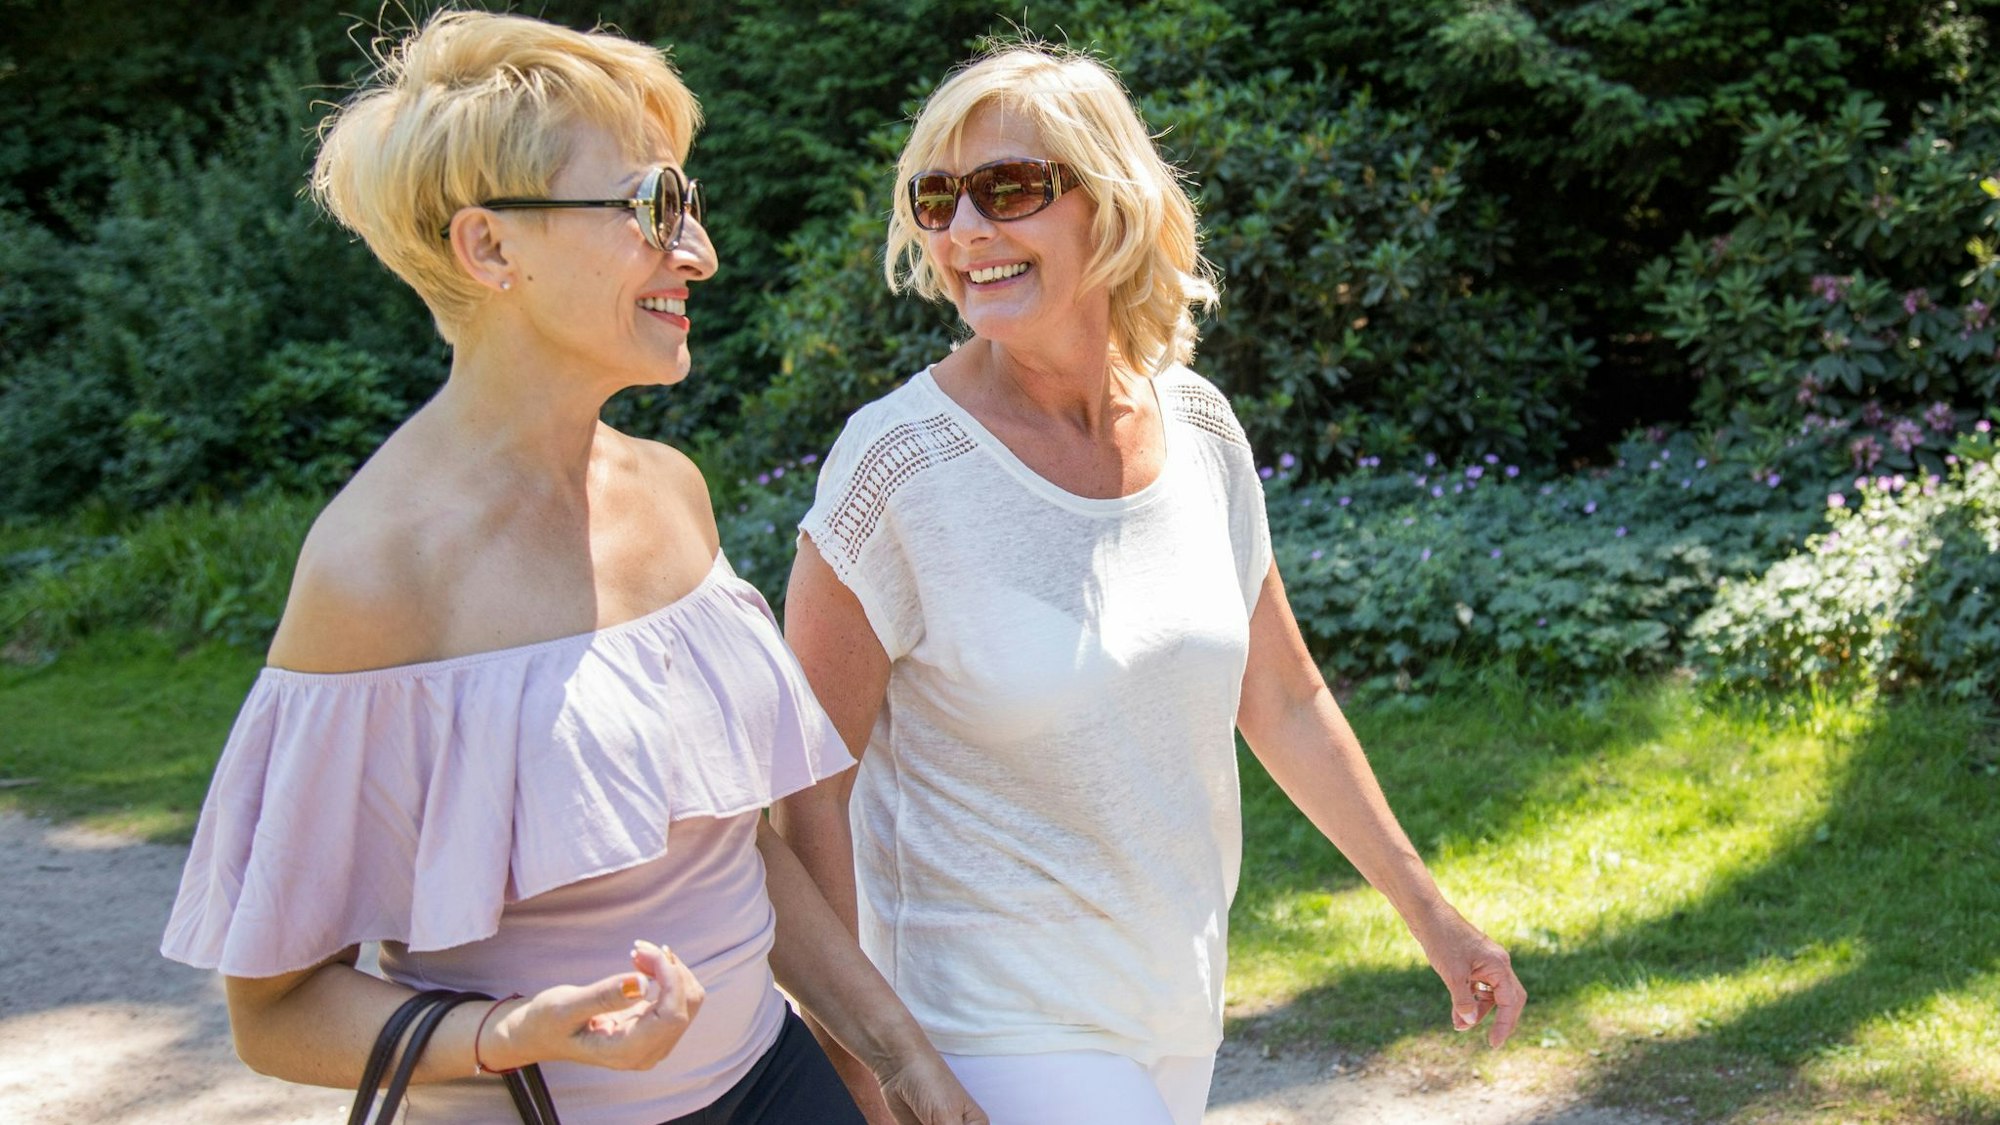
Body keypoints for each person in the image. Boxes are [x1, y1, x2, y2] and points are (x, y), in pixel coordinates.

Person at [158, 12, 984, 1125]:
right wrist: (508, 1034)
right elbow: (274, 1014)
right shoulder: (377, 574)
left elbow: (731, 848)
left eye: (688, 203)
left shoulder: (670, 492)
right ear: (490, 249)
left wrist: (895, 1050)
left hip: (774, 1084)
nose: (699, 252)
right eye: (654, 206)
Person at [774, 42, 1527, 1125]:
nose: (965, 229)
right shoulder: (895, 467)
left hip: (1174, 1007)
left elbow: (1285, 700)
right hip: (981, 1024)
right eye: (937, 199)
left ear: (1112, 203)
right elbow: (807, 787)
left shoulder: (1199, 426)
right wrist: (865, 1058)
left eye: (1008, 188)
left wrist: (1433, 917)